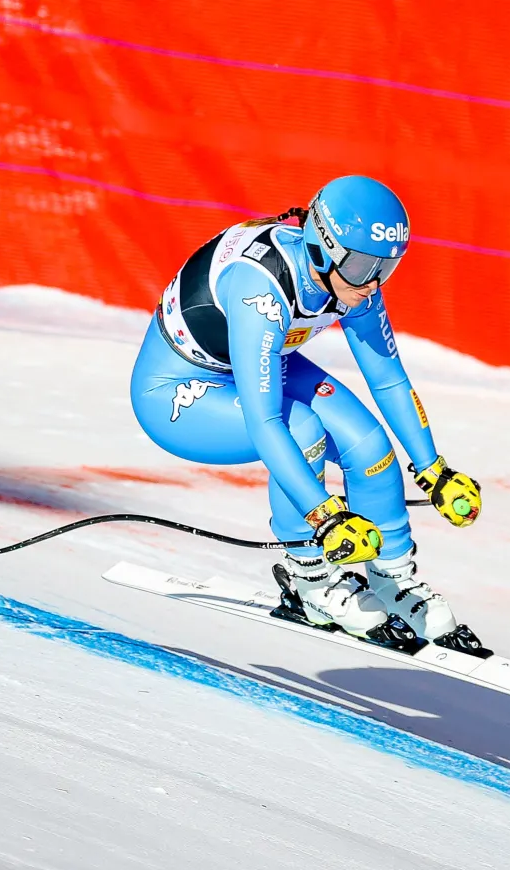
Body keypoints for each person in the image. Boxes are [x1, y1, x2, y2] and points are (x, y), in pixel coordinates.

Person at [129, 175, 487, 656]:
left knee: (368, 444)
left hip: (254, 363)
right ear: (322, 248)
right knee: (302, 430)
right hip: (176, 392)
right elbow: (266, 423)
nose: (374, 283)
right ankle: (310, 581)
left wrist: (433, 469)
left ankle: (392, 581)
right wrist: (325, 517)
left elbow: (389, 380)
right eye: (363, 266)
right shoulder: (261, 288)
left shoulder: (351, 279)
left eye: (388, 267)